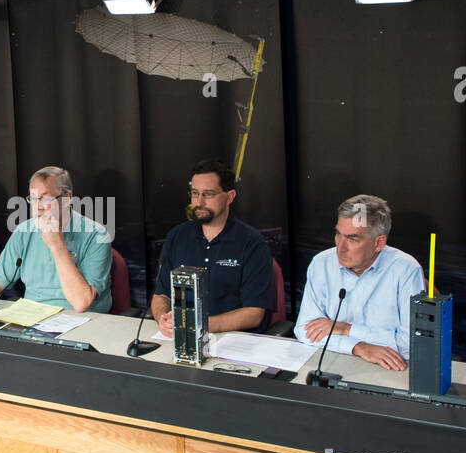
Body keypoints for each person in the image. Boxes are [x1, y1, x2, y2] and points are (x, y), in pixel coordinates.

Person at [294, 194, 425, 371]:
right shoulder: (322, 263)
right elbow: (305, 330)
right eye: (338, 235)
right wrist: (358, 347)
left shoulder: (406, 270)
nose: (340, 247)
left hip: (390, 370)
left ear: (379, 243)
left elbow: (412, 344)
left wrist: (345, 329)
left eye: (352, 239)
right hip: (332, 362)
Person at [0, 166, 111, 318]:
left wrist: (57, 245)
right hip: (33, 320)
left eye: (46, 198)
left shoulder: (96, 235)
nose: (38, 206)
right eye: (33, 199)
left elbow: (81, 303)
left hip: (82, 320)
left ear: (67, 198)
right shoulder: (24, 231)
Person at [150, 158, 274, 334]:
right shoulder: (176, 236)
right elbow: (161, 295)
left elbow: (254, 313)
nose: (199, 202)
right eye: (194, 193)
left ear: (230, 197)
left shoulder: (252, 243)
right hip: (182, 336)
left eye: (208, 194)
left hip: (234, 341)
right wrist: (163, 319)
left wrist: (198, 324)